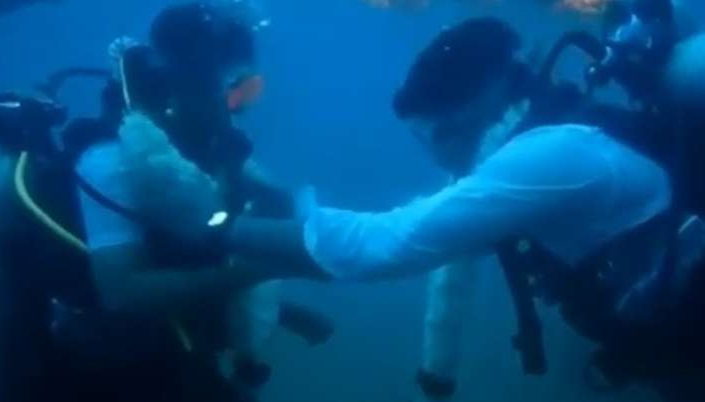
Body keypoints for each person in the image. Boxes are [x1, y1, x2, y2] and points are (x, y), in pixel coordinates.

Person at [195, 9, 705, 400]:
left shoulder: (548, 158)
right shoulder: (540, 148)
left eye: (431, 139)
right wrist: (437, 376)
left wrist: (212, 227)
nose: (436, 153)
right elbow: (443, 262)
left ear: (457, 120)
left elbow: (379, 247)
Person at [0, 3, 334, 402]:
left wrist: (282, 310)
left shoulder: (216, 151)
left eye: (251, 89)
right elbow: (123, 291)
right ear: (178, 85)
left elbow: (201, 249)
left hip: (165, 338)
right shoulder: (111, 161)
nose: (241, 106)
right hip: (92, 361)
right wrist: (260, 270)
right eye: (232, 91)